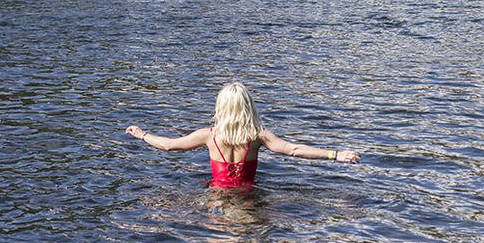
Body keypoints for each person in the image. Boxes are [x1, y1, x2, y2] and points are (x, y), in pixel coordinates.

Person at [126, 82, 360, 189]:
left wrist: (142, 134)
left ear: (221, 107)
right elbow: (293, 150)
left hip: (217, 195)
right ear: (248, 106)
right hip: (249, 195)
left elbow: (169, 146)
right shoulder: (258, 136)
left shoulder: (208, 135)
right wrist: (335, 155)